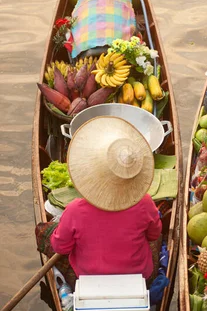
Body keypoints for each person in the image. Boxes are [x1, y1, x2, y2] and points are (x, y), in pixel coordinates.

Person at [38, 116, 162, 286]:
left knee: (43, 231)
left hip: (87, 278)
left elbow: (61, 248)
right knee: (157, 238)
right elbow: (154, 234)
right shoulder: (145, 202)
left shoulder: (75, 210)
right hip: (140, 277)